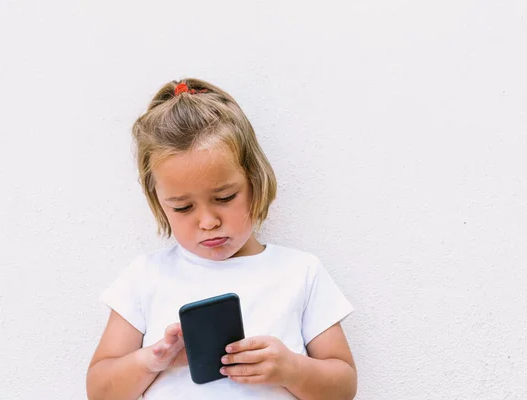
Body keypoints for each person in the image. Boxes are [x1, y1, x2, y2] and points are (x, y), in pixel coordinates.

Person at [86, 78, 357, 400]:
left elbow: (343, 387)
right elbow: (99, 390)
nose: (208, 222)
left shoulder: (301, 272)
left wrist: (292, 369)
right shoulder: (145, 276)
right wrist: (152, 360)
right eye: (182, 207)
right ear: (158, 202)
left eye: (225, 197)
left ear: (255, 180)